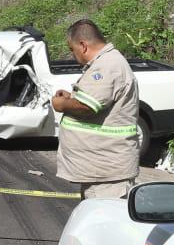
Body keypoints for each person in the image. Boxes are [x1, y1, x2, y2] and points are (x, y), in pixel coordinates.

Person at [51, 19, 142, 200]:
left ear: (83, 45)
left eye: (72, 49)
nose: (72, 55)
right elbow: (96, 99)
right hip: (102, 171)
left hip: (106, 176)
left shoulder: (107, 65)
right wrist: (72, 98)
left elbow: (88, 107)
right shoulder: (107, 63)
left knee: (103, 225)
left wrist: (61, 104)